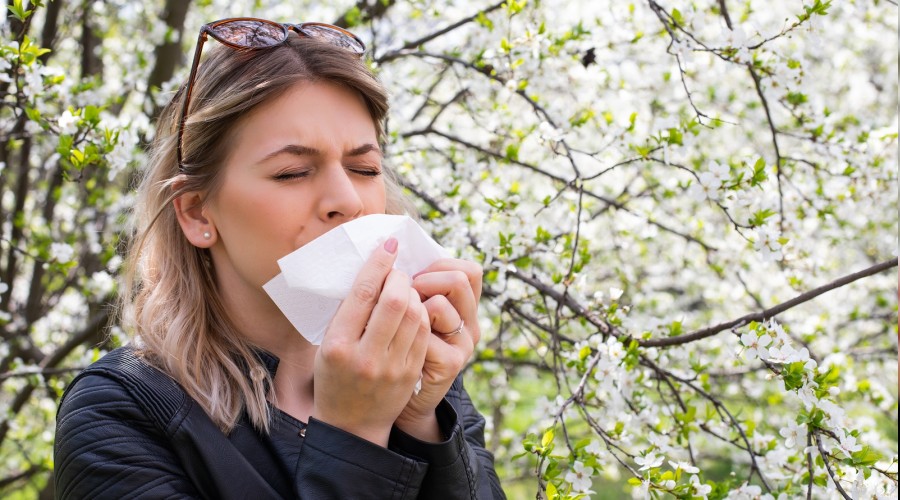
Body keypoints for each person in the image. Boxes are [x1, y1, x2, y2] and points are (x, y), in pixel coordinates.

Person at [53, 18, 504, 499]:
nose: (346, 199)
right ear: (196, 211)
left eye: (364, 168)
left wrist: (421, 421)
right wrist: (355, 434)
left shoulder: (408, 374)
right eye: (292, 173)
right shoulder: (121, 411)